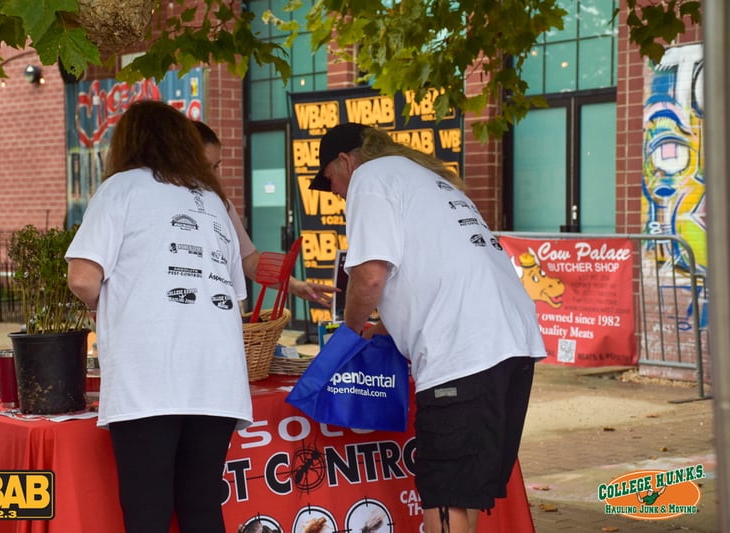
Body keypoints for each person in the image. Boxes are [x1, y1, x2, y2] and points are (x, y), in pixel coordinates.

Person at [310, 122, 547, 533]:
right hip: (513, 345)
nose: (334, 193)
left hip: (463, 351)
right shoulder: (425, 179)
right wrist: (387, 327)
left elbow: (369, 277)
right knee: (461, 492)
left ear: (346, 161)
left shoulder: (371, 176)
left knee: (444, 494)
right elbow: (435, 272)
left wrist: (344, 338)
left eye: (330, 180)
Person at [65, 100, 251, 533]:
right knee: (202, 506)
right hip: (218, 381)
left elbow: (81, 277)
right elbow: (231, 292)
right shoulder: (213, 201)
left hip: (149, 378)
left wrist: (106, 308)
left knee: (146, 511)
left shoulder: (122, 188)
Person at [193, 121, 338, 308]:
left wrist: (295, 286)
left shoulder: (223, 206)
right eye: (207, 168)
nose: (215, 177)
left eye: (217, 167)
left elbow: (251, 261)